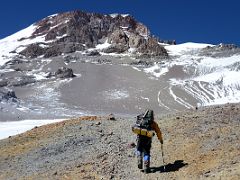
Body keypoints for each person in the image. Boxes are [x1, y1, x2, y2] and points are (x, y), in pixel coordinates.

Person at [134, 109, 163, 173]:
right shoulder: (153, 123)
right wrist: (160, 140)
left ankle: (139, 157)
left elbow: (136, 126)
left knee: (139, 149)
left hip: (140, 137)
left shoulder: (141, 119)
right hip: (148, 139)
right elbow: (158, 132)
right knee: (146, 152)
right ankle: (146, 167)